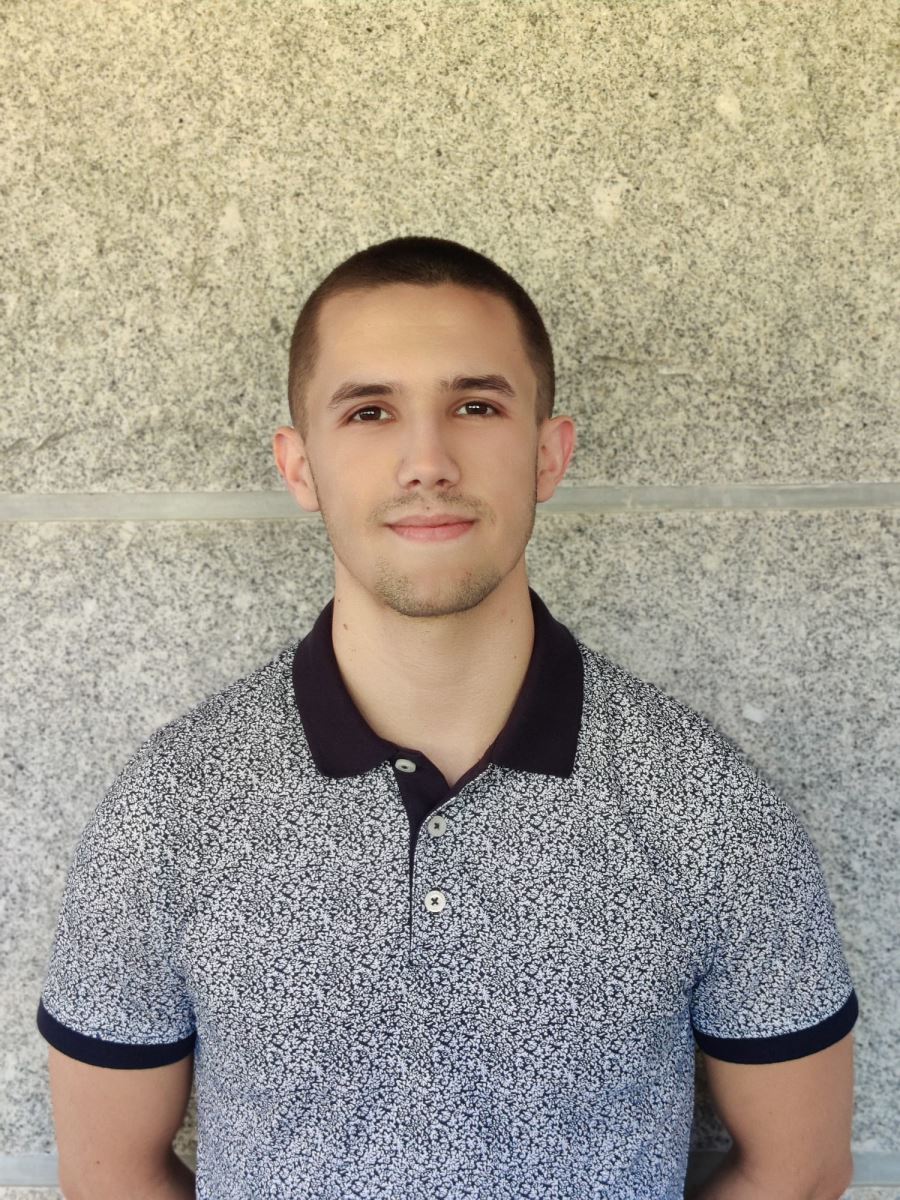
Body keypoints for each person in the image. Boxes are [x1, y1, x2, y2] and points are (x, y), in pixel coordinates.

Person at [37, 236, 858, 1200]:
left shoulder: (708, 802)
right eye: (370, 411)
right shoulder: (172, 802)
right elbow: (108, 1173)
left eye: (476, 406)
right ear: (299, 467)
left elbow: (801, 1173)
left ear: (548, 453)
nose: (427, 462)